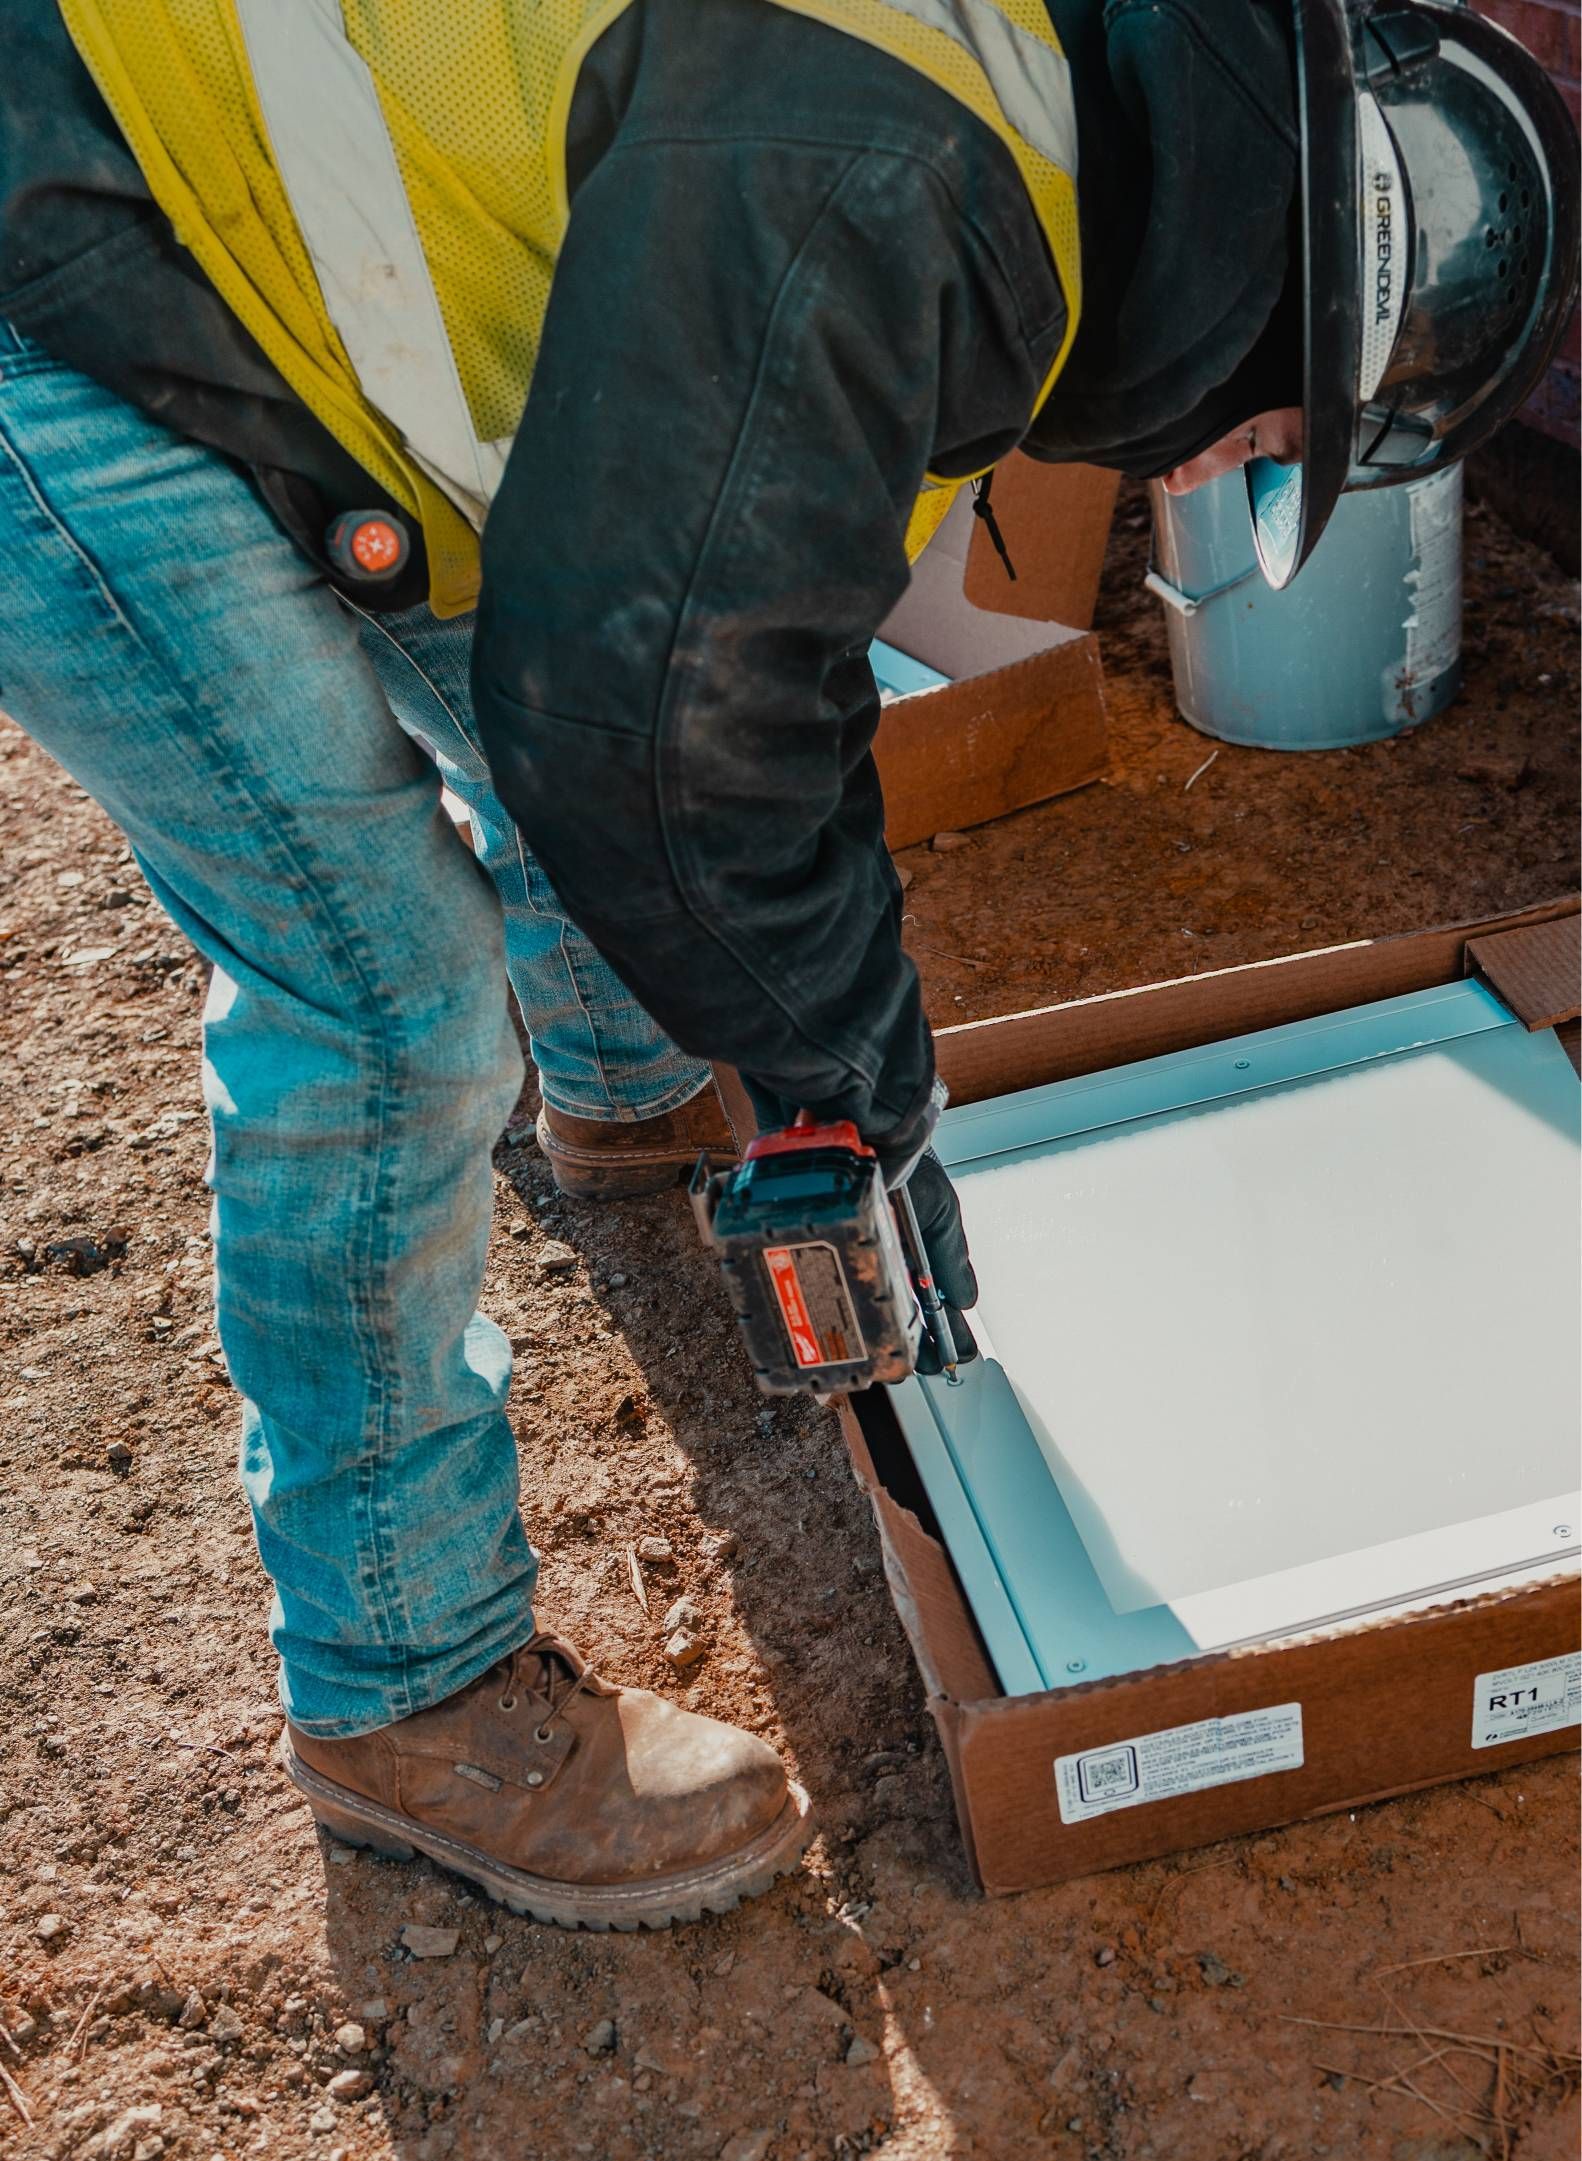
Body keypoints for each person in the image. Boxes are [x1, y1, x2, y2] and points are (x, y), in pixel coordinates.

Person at [0, 0, 1573, 1930]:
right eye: (1265, 429)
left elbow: (744, 626)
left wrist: (804, 1056)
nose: (1217, 463)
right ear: (1261, 298)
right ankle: (403, 1685)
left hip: (229, 200)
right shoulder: (898, 183)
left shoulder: (1027, 121)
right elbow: (655, 729)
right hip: (54, 231)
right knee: (389, 991)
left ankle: (625, 1094)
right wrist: (857, 1089)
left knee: (602, 655)